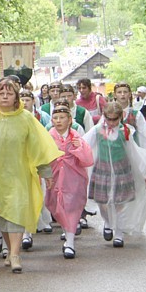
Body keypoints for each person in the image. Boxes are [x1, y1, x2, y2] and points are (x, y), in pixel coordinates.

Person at [0, 78, 63, 273]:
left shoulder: (25, 118)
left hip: (18, 174)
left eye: (9, 93)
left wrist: (45, 172)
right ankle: (9, 249)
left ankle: (15, 255)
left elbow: (39, 146)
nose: (5, 97)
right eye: (1, 93)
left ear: (16, 97)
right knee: (2, 216)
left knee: (16, 211)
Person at [84, 102, 146, 248]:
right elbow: (85, 145)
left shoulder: (125, 131)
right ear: (104, 116)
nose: (111, 122)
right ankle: (107, 222)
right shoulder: (97, 130)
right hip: (102, 169)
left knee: (119, 203)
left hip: (121, 169)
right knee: (102, 202)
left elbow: (133, 153)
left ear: (120, 117)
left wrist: (143, 173)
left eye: (114, 119)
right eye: (108, 119)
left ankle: (118, 233)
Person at [46, 104, 93, 259]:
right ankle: (67, 230)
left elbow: (88, 159)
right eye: (56, 118)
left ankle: (70, 241)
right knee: (56, 205)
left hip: (74, 178)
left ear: (70, 120)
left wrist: (78, 148)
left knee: (72, 208)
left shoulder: (76, 137)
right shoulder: (48, 136)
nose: (58, 121)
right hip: (54, 177)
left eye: (62, 118)